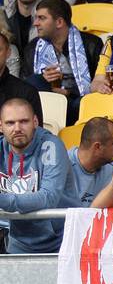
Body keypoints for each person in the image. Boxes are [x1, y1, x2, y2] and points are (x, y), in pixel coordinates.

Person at [0, 97, 67, 254]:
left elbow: (49, 197)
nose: (17, 128)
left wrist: (3, 200)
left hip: (59, 242)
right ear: (1, 126)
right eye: (10, 123)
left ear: (35, 122)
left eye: (24, 121)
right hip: (19, 241)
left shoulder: (50, 145)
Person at [28, 0, 103, 122]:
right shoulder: (32, 48)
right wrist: (43, 79)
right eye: (36, 18)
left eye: (42, 18)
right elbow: (26, 84)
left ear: (59, 22)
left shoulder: (92, 44)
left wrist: (68, 93)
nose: (36, 23)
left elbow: (99, 83)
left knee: (79, 104)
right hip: (45, 101)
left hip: (78, 102)